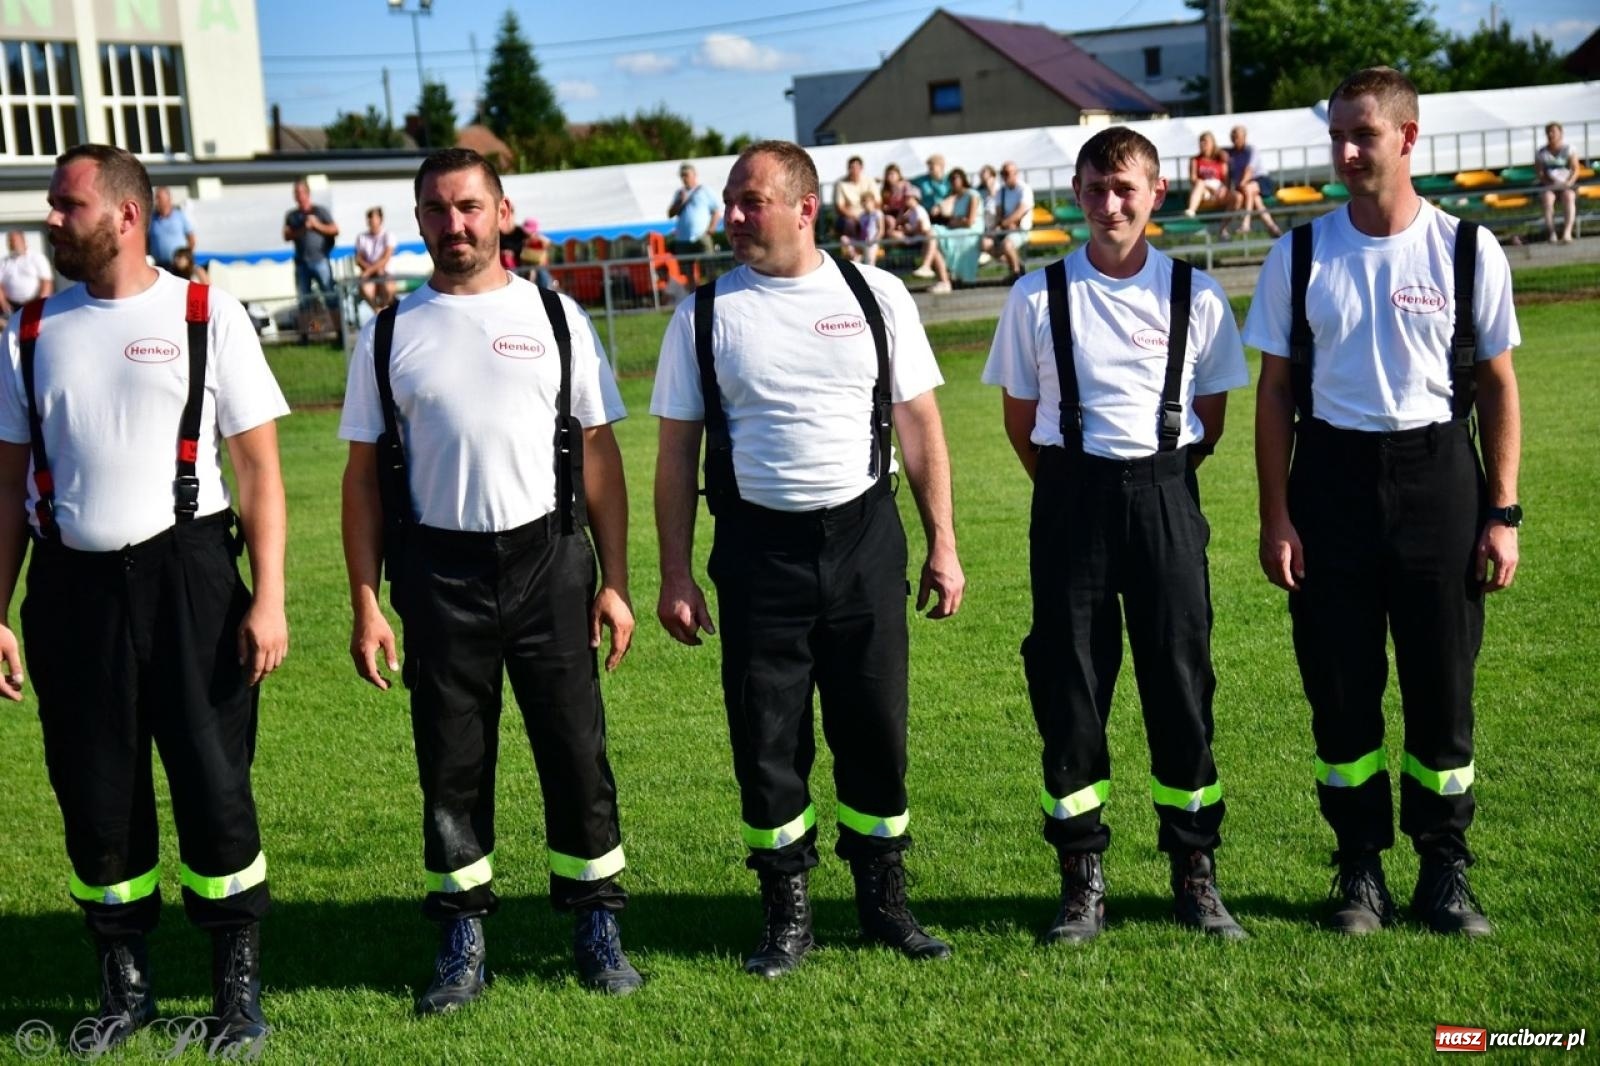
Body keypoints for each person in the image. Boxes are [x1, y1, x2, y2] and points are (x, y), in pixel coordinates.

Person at [0, 144, 288, 1053]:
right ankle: (124, 986)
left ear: (127, 215)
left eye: (68, 204)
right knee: (95, 789)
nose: (51, 218)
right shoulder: (30, 331)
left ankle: (235, 989)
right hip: (71, 590)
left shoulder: (206, 311)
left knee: (213, 782)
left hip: (190, 575)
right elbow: (7, 489)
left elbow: (259, 471)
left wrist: (270, 597)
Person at [653, 140, 964, 979]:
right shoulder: (704, 315)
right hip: (758, 552)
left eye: (750, 201)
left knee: (875, 728)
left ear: (804, 208)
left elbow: (920, 425)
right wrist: (675, 572)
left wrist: (943, 540)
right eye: (730, 200)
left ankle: (884, 901)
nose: (733, 216)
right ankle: (786, 913)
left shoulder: (876, 294)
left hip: (865, 540)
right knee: (767, 738)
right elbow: (676, 454)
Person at [339, 147, 642, 1010]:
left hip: (549, 561)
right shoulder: (389, 331)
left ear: (502, 212)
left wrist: (615, 580)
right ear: (418, 221)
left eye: (469, 206)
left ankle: (596, 922)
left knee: (576, 750)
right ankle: (462, 933)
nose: (454, 224)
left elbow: (597, 453)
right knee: (452, 760)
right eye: (436, 210)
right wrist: (366, 602)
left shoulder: (555, 315)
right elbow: (362, 480)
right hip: (439, 572)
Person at [1245, 67, 1522, 938]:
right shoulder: (1298, 254)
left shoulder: (1467, 248)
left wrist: (1502, 513)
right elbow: (1274, 393)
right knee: (1340, 687)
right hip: (1330, 480)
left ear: (1408, 137)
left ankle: (1444, 870)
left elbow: (1499, 385)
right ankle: (1359, 868)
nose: (1346, 152)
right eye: (1336, 135)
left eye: (1362, 134)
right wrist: (1276, 515)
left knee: (1442, 685)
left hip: (1438, 475)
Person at [982, 126, 1250, 945]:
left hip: (1166, 497)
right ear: (1075, 194)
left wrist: (1153, 480)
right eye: (1095, 189)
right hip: (1071, 501)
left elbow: (1210, 419)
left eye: (1125, 187)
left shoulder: (1196, 295)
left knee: (1181, 682)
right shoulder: (1036, 296)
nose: (1109, 204)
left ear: (1156, 193)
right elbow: (1022, 421)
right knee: (1070, 687)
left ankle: (1194, 871)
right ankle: (1081, 878)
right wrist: (1075, 488)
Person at [282, 179, 339, 338]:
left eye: (301, 192)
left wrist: (316, 225)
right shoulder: (292, 216)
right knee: (303, 300)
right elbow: (286, 235)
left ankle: (340, 333)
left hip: (320, 260)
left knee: (330, 296)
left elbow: (335, 229)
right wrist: (302, 229)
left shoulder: (320, 211)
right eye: (296, 193)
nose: (299, 196)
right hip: (301, 263)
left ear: (308, 193)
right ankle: (305, 335)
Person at [1219, 126, 1281, 239]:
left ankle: (1246, 222)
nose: (1235, 140)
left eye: (1237, 137)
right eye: (1233, 137)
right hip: (1246, 187)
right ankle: (1273, 228)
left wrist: (1242, 183)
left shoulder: (1251, 150)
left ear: (1244, 137)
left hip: (1260, 180)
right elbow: (1218, 151)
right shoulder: (1230, 153)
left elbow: (1250, 170)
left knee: (1248, 189)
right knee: (1256, 200)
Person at [934, 167, 983, 284]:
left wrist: (956, 222)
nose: (953, 182)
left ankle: (952, 276)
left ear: (962, 179)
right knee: (933, 233)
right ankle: (946, 276)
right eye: (950, 180)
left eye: (955, 178)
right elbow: (945, 214)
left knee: (942, 237)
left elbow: (970, 221)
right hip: (957, 228)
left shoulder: (972, 195)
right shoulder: (955, 198)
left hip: (971, 230)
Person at [1535, 122, 1578, 244]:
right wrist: (1548, 183)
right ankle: (1552, 232)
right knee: (1547, 198)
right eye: (1548, 132)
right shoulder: (1541, 152)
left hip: (1566, 184)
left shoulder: (1569, 149)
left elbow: (1575, 169)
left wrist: (1569, 182)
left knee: (1569, 196)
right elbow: (1540, 173)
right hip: (1550, 184)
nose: (1551, 134)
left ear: (1560, 133)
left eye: (1553, 131)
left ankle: (1567, 232)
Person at [668, 162, 722, 258]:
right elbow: (670, 214)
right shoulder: (679, 193)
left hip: (701, 237)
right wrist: (680, 202)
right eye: (682, 176)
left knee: (708, 263)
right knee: (685, 266)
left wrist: (711, 229)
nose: (684, 178)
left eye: (686, 175)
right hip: (683, 239)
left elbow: (716, 212)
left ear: (694, 175)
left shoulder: (704, 191)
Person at [994, 162, 1035, 280]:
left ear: (1016, 174)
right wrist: (1005, 224)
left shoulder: (1024, 189)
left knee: (1007, 245)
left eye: (1007, 173)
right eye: (1002, 173)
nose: (1004, 176)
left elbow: (1021, 211)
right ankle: (1017, 266)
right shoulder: (1000, 191)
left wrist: (1004, 223)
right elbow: (998, 212)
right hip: (1005, 230)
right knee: (986, 244)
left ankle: (1016, 274)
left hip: (1022, 229)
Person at [0, 230, 54, 320]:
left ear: (23, 241)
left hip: (34, 304)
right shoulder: (4, 262)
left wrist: (40, 305)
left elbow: (46, 283)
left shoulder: (37, 258)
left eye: (13, 241)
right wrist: (4, 304)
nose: (11, 244)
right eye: (9, 241)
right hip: (11, 307)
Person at [902, 198, 952, 292]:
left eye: (909, 198)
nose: (907, 201)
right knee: (935, 252)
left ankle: (928, 268)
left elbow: (922, 228)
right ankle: (943, 281)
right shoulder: (910, 212)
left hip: (926, 237)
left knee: (934, 248)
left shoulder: (919, 210)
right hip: (924, 238)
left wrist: (910, 230)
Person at [355, 206, 398, 313]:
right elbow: (359, 258)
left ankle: (383, 311)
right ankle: (379, 311)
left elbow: (385, 258)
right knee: (365, 288)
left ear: (380, 219)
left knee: (388, 288)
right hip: (372, 275)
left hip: (385, 273)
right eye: (369, 218)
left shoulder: (388, 235)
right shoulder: (361, 237)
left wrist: (369, 270)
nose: (370, 221)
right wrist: (372, 270)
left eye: (373, 217)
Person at [148, 185, 196, 270]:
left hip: (178, 268)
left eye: (159, 198)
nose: (156, 201)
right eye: (155, 198)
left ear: (168, 199)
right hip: (159, 266)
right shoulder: (152, 219)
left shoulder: (179, 216)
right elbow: (147, 241)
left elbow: (191, 239)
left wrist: (186, 258)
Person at [1184, 131, 1229, 217]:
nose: (1202, 144)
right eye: (1201, 141)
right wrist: (1208, 188)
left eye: (1205, 141)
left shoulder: (1220, 159)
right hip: (1203, 188)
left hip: (1218, 189)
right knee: (1200, 183)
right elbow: (1193, 178)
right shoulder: (1195, 160)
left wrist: (1223, 189)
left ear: (1212, 143)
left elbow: (1226, 179)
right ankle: (1191, 210)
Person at [832, 155, 877, 240]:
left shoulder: (870, 181)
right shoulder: (840, 184)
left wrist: (868, 215)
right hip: (850, 217)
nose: (854, 170)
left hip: (869, 214)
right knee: (849, 224)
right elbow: (840, 207)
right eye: (851, 167)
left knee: (875, 221)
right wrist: (856, 217)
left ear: (861, 168)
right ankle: (853, 245)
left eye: (856, 167)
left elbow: (878, 202)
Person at [840, 188, 884, 266]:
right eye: (863, 202)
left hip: (871, 243)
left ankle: (864, 265)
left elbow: (881, 231)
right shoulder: (862, 216)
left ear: (873, 201)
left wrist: (873, 241)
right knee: (844, 239)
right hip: (861, 242)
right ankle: (854, 256)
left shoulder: (877, 213)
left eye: (866, 201)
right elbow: (859, 231)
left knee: (870, 263)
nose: (864, 204)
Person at [911, 153, 952, 224]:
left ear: (941, 166)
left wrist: (940, 206)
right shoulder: (921, 180)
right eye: (929, 166)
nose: (930, 168)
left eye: (932, 166)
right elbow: (906, 183)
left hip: (944, 214)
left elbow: (955, 196)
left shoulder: (949, 181)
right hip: (926, 215)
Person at [879, 163, 915, 239]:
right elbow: (883, 204)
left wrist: (900, 216)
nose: (890, 177)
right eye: (888, 175)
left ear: (898, 175)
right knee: (889, 221)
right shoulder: (885, 189)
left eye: (892, 174)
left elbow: (908, 201)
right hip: (891, 214)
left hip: (905, 212)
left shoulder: (905, 185)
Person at [518, 218, 555, 290]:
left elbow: (548, 243)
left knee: (542, 279)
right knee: (528, 278)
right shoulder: (525, 240)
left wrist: (537, 237)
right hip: (528, 264)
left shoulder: (540, 239)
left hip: (540, 265)